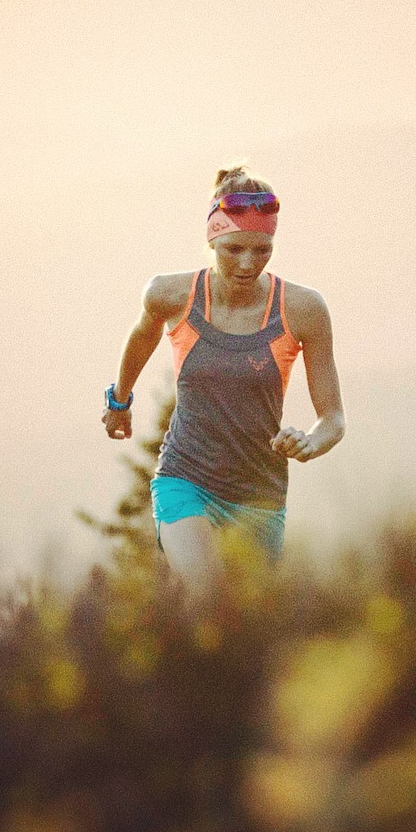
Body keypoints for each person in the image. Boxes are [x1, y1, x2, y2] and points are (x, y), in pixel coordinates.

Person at [101, 165, 345, 603]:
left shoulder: (303, 310)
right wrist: (119, 402)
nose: (248, 263)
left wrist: (311, 441)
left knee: (242, 622)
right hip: (185, 477)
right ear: (211, 239)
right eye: (233, 249)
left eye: (261, 249)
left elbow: (334, 418)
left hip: (259, 494)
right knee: (206, 598)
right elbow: (142, 337)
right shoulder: (170, 295)